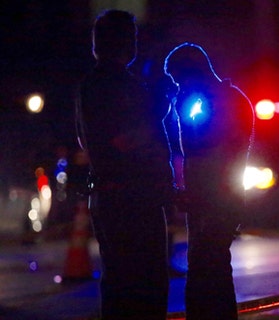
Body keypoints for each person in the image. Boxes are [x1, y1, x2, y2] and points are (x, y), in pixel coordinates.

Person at [76, 9, 170, 319]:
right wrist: (156, 109)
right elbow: (120, 141)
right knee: (143, 283)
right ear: (124, 42)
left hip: (114, 195)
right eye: (132, 37)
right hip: (131, 199)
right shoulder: (113, 85)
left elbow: (89, 142)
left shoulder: (93, 84)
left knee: (120, 283)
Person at [163, 42, 254, 319]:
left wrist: (180, 114)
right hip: (211, 197)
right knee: (209, 266)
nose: (178, 87)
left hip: (216, 198)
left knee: (208, 268)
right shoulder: (226, 98)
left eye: (179, 79)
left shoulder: (215, 101)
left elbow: (199, 146)